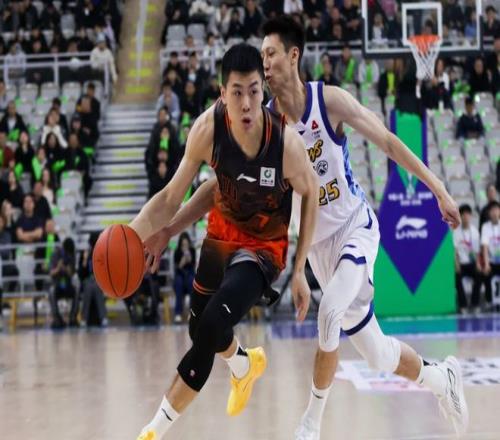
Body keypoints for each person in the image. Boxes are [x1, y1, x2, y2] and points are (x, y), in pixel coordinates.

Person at [158, 17, 467, 439]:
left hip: (355, 228)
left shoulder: (329, 101)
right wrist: (170, 228)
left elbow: (388, 142)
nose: (264, 63)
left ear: (293, 55)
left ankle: (310, 425)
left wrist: (439, 190)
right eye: (261, 56)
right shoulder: (265, 125)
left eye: (270, 54)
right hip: (317, 248)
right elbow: (218, 188)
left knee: (330, 311)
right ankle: (441, 379)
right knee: (377, 354)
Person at [131, 43, 318, 439]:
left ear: (263, 91)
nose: (246, 103)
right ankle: (243, 365)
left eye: (254, 91)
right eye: (237, 92)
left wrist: (300, 269)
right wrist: (140, 235)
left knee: (213, 324)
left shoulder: (285, 144)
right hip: (223, 232)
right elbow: (174, 196)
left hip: (264, 247)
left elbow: (312, 193)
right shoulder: (207, 130)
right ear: (222, 94)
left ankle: (153, 430)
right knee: (199, 326)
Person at [454, 204, 482, 314]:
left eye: (467, 214)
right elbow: (455, 251)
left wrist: (478, 264)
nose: (465, 216)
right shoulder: (456, 232)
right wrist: (457, 265)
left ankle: (475, 304)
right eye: (463, 214)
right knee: (457, 278)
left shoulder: (475, 231)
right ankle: (463, 305)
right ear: (460, 216)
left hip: (472, 263)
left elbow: (477, 251)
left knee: (479, 275)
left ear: (470, 216)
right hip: (461, 264)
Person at [480, 200, 500, 311]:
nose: (494, 212)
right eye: (492, 210)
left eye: (496, 210)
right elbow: (485, 247)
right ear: (489, 213)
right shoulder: (485, 227)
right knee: (485, 274)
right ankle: (489, 301)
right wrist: (487, 264)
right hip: (491, 262)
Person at [173, 232, 196, 323]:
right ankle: (178, 313)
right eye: (183, 245)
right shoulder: (177, 252)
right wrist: (183, 259)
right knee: (178, 284)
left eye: (186, 244)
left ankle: (192, 312)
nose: (185, 246)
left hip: (190, 273)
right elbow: (177, 268)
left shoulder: (192, 250)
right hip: (180, 274)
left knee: (192, 282)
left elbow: (192, 265)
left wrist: (188, 257)